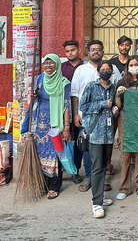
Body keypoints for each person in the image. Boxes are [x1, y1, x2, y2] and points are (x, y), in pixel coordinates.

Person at [24, 54, 72, 200]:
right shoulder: (39, 79)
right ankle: (42, 184)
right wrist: (32, 97)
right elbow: (35, 100)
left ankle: (54, 186)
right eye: (46, 64)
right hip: (39, 124)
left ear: (57, 64)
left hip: (55, 123)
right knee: (40, 155)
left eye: (51, 63)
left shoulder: (64, 83)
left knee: (55, 154)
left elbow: (66, 106)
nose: (48, 66)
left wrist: (67, 127)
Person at [80, 60, 119, 218]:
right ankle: (96, 203)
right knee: (96, 168)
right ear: (98, 71)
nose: (105, 71)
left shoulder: (113, 87)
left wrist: (115, 109)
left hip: (108, 134)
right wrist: (103, 104)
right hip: (95, 134)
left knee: (104, 165)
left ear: (111, 72)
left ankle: (100, 197)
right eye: (102, 69)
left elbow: (114, 107)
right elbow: (83, 106)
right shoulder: (91, 86)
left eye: (108, 69)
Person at [115, 55, 138, 201]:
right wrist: (118, 94)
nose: (134, 67)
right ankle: (124, 188)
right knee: (126, 154)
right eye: (131, 64)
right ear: (127, 67)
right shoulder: (122, 82)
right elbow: (118, 105)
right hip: (126, 119)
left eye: (136, 64)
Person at [71, 40, 103, 192]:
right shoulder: (81, 70)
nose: (96, 52)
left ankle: (101, 178)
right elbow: (75, 94)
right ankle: (89, 176)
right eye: (93, 50)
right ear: (88, 53)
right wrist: (76, 114)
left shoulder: (109, 68)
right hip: (86, 116)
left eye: (98, 49)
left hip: (104, 116)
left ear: (102, 52)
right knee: (87, 147)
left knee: (103, 148)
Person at [60, 40, 84, 184]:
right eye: (68, 51)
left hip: (81, 109)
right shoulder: (61, 68)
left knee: (79, 142)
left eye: (73, 50)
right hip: (64, 110)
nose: (70, 53)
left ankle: (76, 169)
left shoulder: (85, 67)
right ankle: (67, 169)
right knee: (66, 141)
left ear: (78, 50)